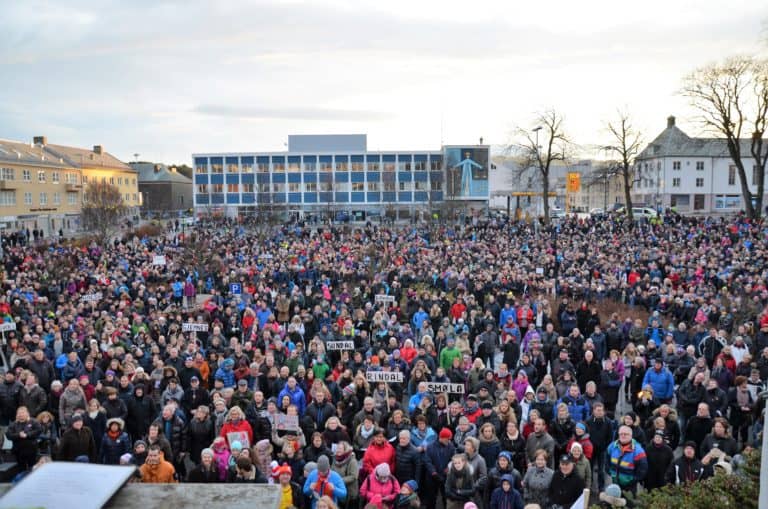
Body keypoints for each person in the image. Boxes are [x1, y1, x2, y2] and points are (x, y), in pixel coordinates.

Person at [606, 425, 648, 495]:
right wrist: (610, 472)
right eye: (621, 434)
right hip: (615, 482)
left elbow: (642, 469)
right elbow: (607, 461)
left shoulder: (638, 451)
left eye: (626, 434)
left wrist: (633, 480)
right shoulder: (612, 446)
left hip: (630, 486)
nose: (623, 436)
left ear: (631, 435)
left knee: (629, 504)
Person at [424, 427, 456, 509]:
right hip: (432, 477)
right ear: (441, 438)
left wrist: (448, 468)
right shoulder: (430, 447)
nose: (449, 441)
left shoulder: (451, 446)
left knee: (446, 498)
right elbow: (427, 461)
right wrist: (434, 473)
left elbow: (453, 459)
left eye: (449, 439)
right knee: (431, 499)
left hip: (445, 477)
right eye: (447, 439)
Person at [5, 406, 42, 470]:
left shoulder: (34, 421)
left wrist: (27, 435)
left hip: (31, 449)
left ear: (27, 413)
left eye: (22, 413)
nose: (20, 415)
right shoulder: (13, 424)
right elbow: (8, 435)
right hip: (18, 450)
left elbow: (39, 430)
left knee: (32, 467)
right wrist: (18, 435)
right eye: (19, 413)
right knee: (21, 468)